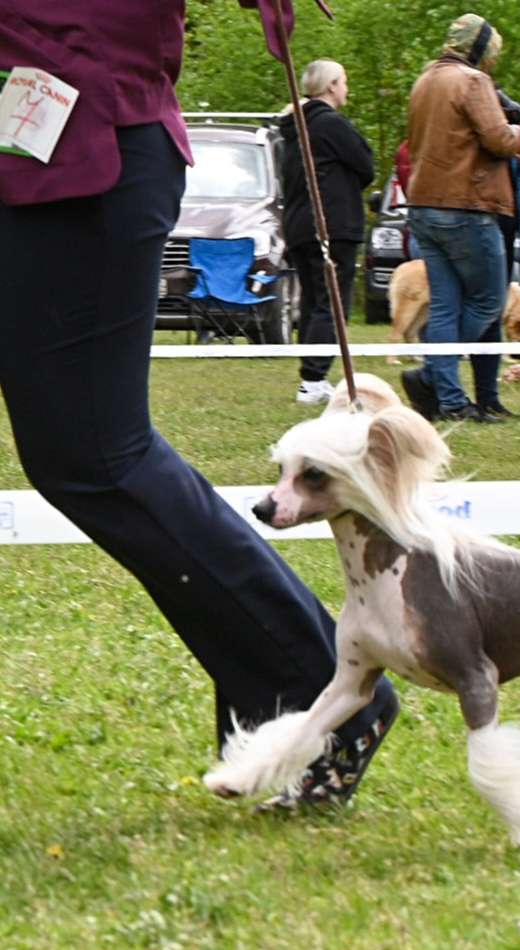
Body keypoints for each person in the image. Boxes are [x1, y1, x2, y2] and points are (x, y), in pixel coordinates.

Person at [0, 1, 398, 810]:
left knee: (95, 457)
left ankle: (312, 693)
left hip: (78, 158)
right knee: (85, 456)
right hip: (42, 152)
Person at [402, 12, 520, 424]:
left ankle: (452, 401)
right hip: (466, 206)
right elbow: (498, 139)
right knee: (490, 300)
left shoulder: (424, 81)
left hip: (423, 204)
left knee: (444, 307)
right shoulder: (473, 81)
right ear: (480, 48)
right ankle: (433, 377)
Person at [281, 59, 375, 407]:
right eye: (345, 82)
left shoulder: (293, 126)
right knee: (331, 301)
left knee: (312, 300)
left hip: (299, 223)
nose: (347, 88)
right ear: (333, 85)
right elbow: (366, 163)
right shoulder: (329, 124)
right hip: (331, 224)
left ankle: (311, 376)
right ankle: (313, 378)